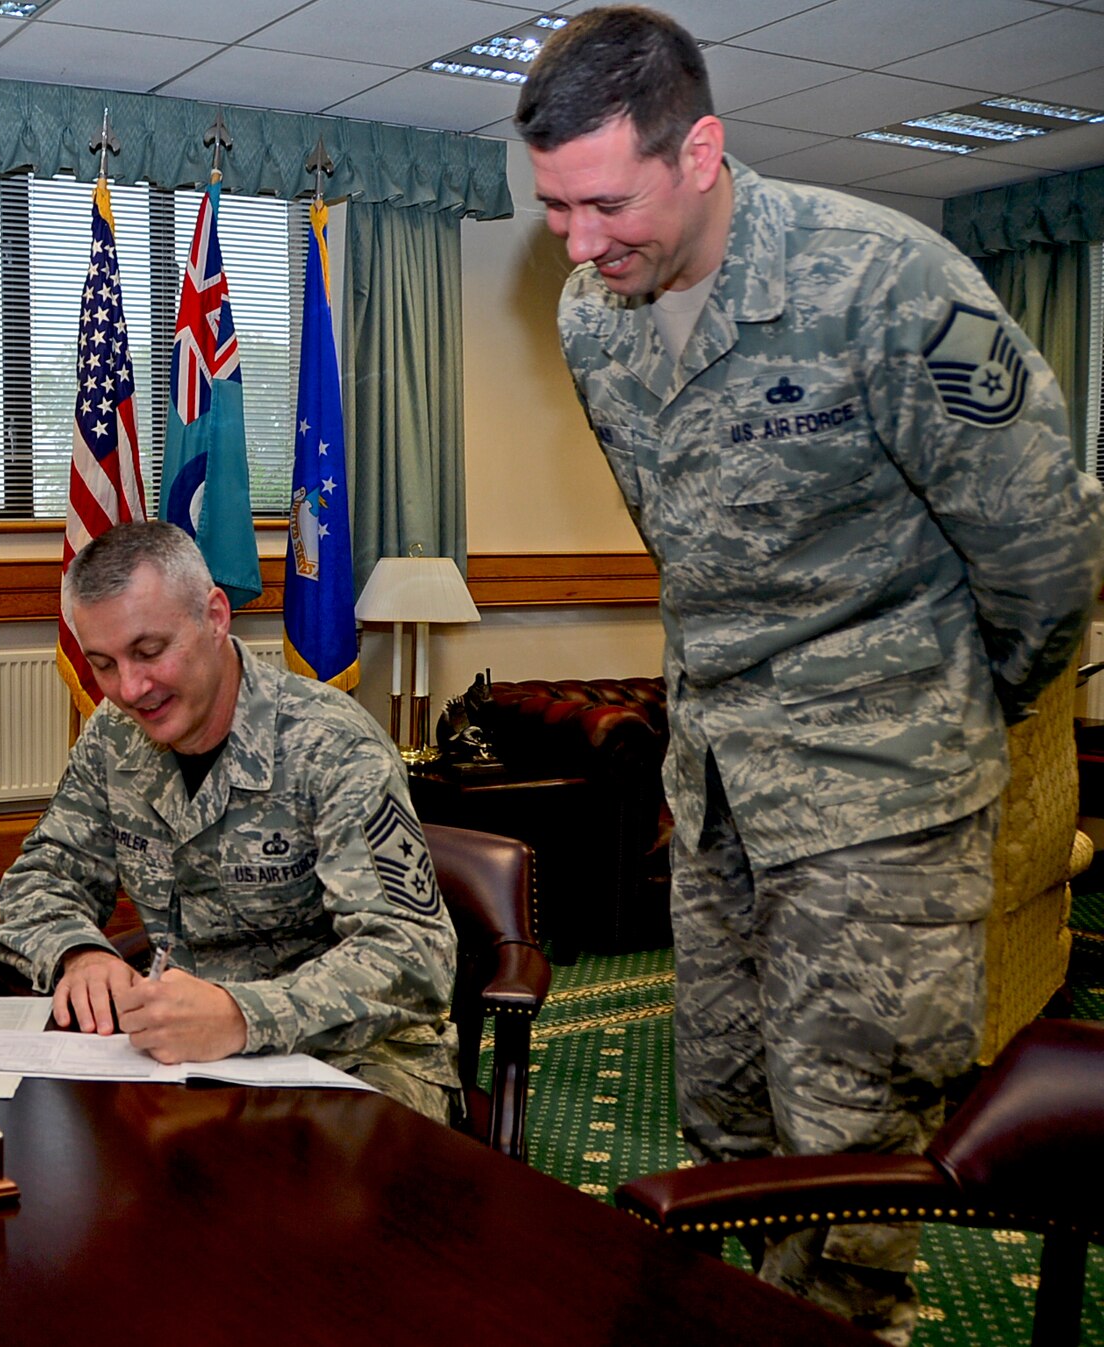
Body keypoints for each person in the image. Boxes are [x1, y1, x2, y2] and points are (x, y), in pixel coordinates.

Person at [515, 9, 1104, 1340]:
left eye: (606, 202)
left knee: (853, 1166)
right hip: (720, 787)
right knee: (725, 1132)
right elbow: (687, 537)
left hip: (884, 800)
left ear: (702, 149)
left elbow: (1045, 550)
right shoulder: (595, 323)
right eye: (553, 209)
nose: (582, 242)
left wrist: (945, 711)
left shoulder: (892, 285)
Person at [0, 522, 459, 1122]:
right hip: (175, 1052)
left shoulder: (333, 745)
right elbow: (40, 877)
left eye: (150, 652)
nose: (130, 688)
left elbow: (414, 955)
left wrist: (241, 1015)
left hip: (350, 1056)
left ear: (214, 616)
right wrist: (79, 954)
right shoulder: (114, 737)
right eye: (103, 663)